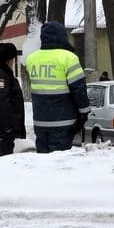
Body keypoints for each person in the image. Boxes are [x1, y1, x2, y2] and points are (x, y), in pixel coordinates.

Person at [25, 21, 90, 153]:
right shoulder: (69, 58)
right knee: (58, 163)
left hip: (40, 121)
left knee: (43, 161)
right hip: (63, 121)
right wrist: (84, 113)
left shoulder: (31, 59)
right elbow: (78, 89)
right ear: (62, 36)